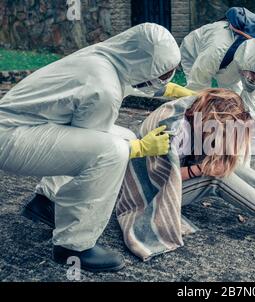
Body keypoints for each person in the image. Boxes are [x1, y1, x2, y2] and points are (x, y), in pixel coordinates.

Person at [0, 23, 181, 272]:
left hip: (24, 125)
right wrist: (141, 147)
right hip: (11, 139)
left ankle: (46, 202)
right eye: (162, 74)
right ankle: (73, 245)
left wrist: (175, 91)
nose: (163, 80)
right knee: (113, 151)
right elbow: (95, 137)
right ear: (141, 63)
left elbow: (125, 86)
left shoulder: (104, 57)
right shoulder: (103, 87)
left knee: (122, 136)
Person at [115, 89, 255, 260]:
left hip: (168, 181)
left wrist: (215, 159)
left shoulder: (196, 110)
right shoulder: (175, 130)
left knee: (224, 163)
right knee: (214, 177)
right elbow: (160, 176)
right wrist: (201, 169)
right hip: (147, 195)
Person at [180, 7, 255, 119]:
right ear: (248, 68)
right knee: (199, 97)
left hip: (233, 61)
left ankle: (225, 126)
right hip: (194, 51)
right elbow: (197, 85)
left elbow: (252, 102)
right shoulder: (216, 50)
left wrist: (246, 123)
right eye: (252, 81)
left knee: (234, 102)